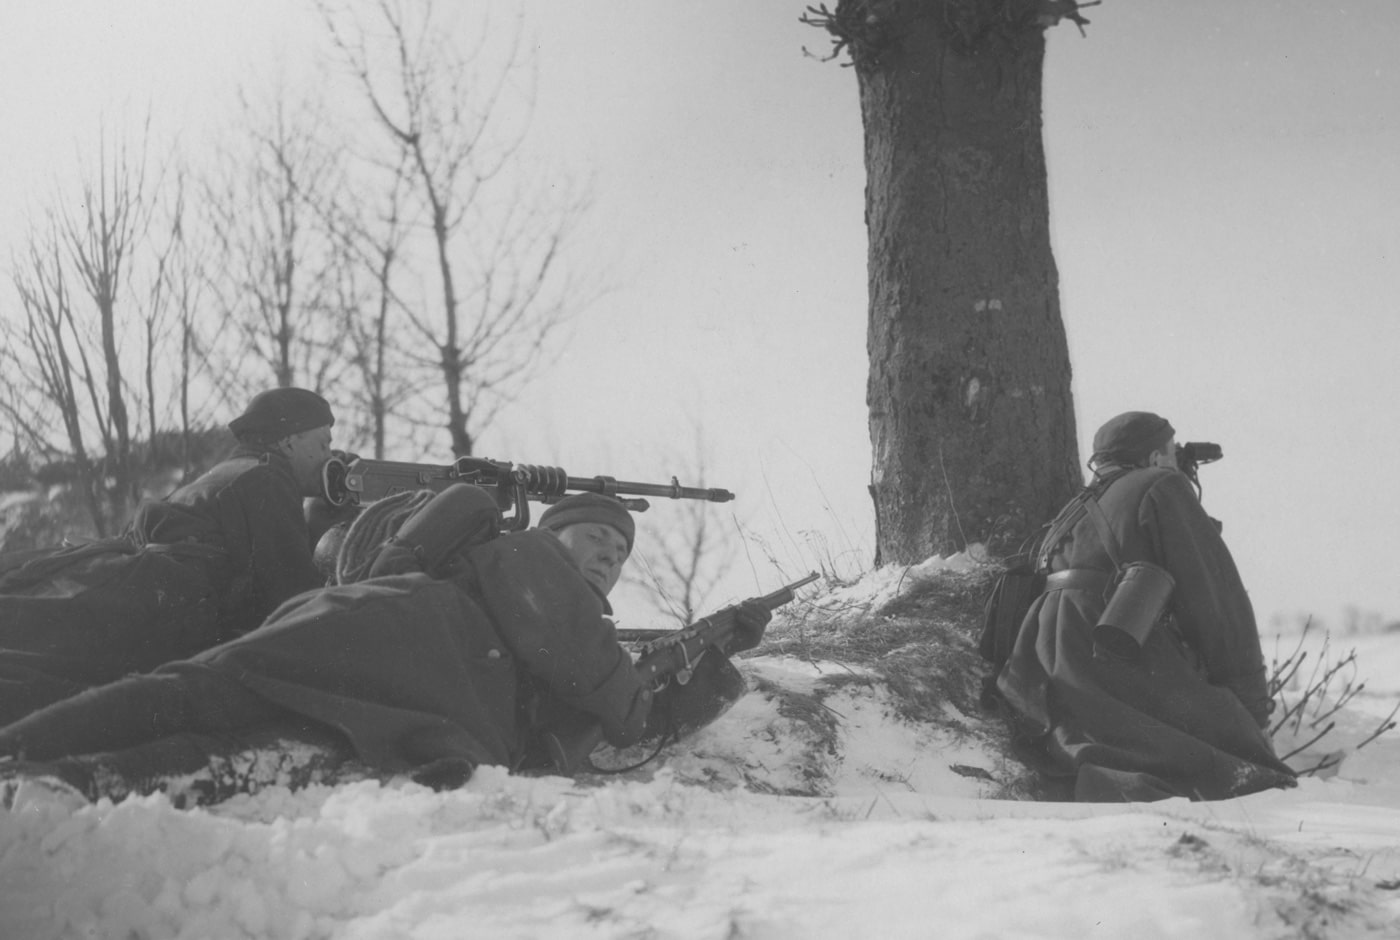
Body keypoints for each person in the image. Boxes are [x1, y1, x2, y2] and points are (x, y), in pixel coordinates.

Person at [0, 489, 770, 805]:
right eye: (594, 537)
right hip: (403, 680)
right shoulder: (542, 573)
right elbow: (623, 711)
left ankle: (26, 758)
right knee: (232, 748)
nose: (607, 557)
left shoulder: (477, 557)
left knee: (194, 698)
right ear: (550, 535)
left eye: (618, 553)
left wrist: (702, 655)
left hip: (341, 631)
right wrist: (700, 675)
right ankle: (49, 780)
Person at [994, 411, 1297, 802]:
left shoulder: (1075, 509)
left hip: (1048, 660)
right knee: (1232, 755)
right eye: (1170, 454)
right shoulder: (1162, 485)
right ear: (1155, 458)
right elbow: (1219, 605)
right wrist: (1253, 710)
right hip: (1112, 644)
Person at [0, 388, 335, 725]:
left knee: (34, 647)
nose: (329, 455)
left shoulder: (231, 469)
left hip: (127, 580)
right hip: (163, 602)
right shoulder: (269, 479)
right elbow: (295, 597)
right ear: (289, 442)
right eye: (323, 444)